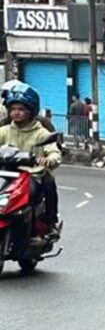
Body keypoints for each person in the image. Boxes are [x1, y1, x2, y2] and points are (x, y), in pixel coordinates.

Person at [0, 84, 61, 235]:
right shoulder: (4, 131)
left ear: (31, 111)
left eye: (21, 110)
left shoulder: (41, 133)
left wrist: (48, 160)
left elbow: (53, 151)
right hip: (6, 174)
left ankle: (49, 223)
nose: (16, 113)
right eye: (13, 109)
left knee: (47, 184)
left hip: (31, 175)